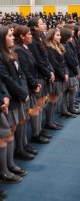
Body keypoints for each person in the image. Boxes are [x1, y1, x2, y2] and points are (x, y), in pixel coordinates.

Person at [0, 26, 28, 183]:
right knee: (6, 133)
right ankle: (4, 170)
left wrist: (23, 91)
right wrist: (19, 92)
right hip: (9, 97)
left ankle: (10, 164)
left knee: (12, 130)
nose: (13, 38)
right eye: (10, 35)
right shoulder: (1, 56)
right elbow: (6, 79)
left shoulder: (12, 53)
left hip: (15, 96)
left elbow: (20, 74)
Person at [13, 25, 41, 158]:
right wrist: (34, 84)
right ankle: (20, 148)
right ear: (22, 36)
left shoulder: (25, 48)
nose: (31, 35)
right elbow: (25, 71)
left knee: (25, 117)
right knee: (22, 119)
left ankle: (23, 145)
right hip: (25, 88)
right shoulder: (18, 50)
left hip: (29, 87)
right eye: (28, 34)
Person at [45, 28, 68, 130]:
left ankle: (52, 120)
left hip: (61, 75)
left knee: (56, 97)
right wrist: (63, 74)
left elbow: (63, 62)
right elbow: (54, 64)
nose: (60, 37)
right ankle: (48, 122)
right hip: (56, 76)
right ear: (51, 36)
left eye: (60, 35)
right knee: (52, 98)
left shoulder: (58, 46)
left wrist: (66, 73)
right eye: (57, 35)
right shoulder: (49, 48)